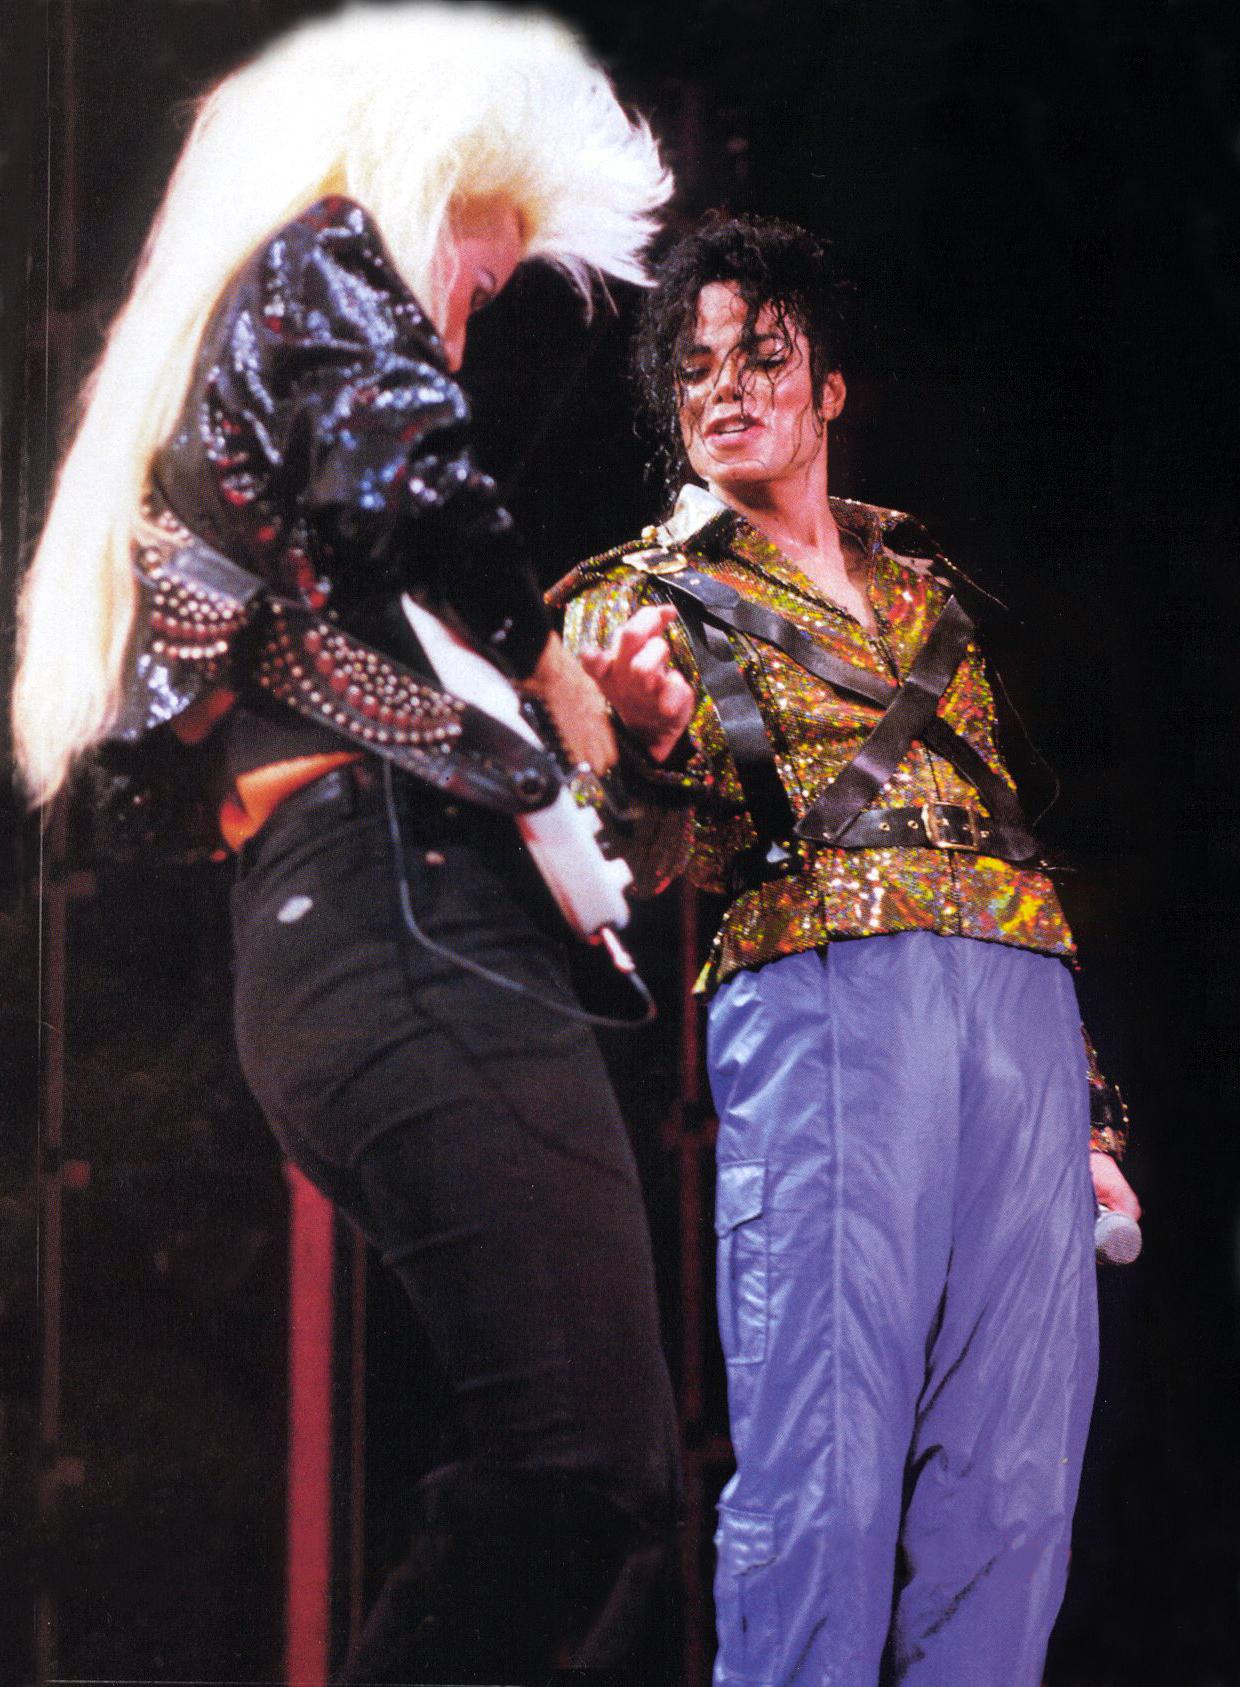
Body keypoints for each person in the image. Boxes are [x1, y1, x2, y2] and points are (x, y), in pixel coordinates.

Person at [12, 8, 681, 1682]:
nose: (458, 328)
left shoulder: (249, 435)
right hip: (400, 910)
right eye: (475, 273)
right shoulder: (320, 251)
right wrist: (549, 663)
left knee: (586, 1475)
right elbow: (417, 485)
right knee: (585, 1469)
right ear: (412, 183)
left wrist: (589, 721)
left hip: (360, 921)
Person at [555, 213, 1141, 1687]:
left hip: (1016, 1010)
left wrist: (1090, 1116)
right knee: (823, 1469)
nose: (726, 389)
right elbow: (615, 851)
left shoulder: (928, 589)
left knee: (1017, 1487)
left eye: (762, 357)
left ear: (827, 390)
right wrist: (642, 739)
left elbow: (1004, 832)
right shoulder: (638, 596)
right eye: (695, 370)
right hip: (829, 996)